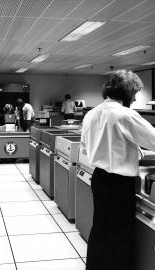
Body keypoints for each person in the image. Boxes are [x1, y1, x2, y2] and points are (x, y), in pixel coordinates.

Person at [81, 70, 155, 270]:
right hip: (119, 183)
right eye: (135, 93)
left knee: (101, 228)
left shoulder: (91, 114)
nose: (136, 97)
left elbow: (86, 148)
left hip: (99, 177)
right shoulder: (126, 115)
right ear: (127, 92)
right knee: (120, 234)